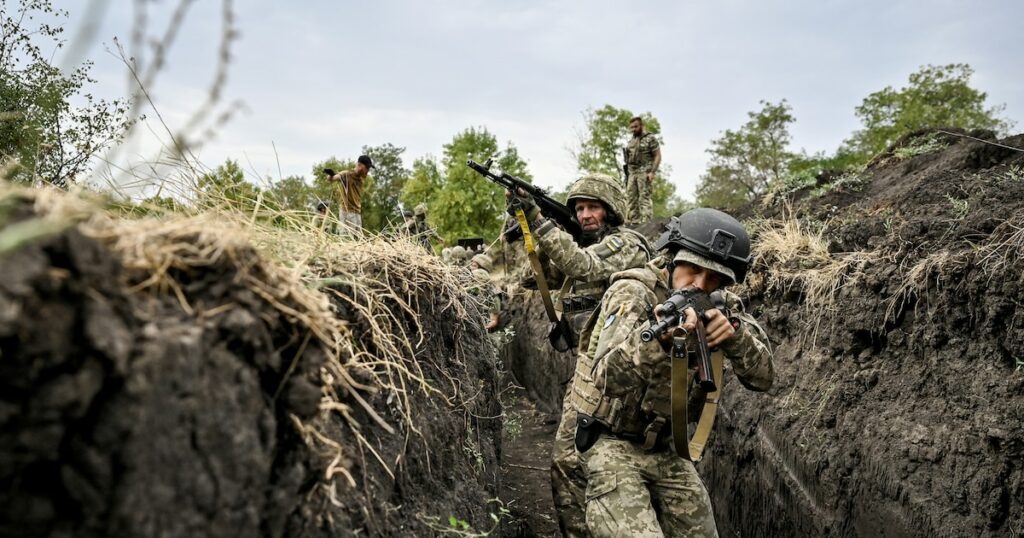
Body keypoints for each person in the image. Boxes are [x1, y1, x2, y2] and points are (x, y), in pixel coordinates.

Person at [571, 208, 774, 537]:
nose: (700, 285)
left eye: (714, 279)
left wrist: (735, 339)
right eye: (693, 270)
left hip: (669, 448)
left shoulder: (722, 305)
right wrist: (659, 344)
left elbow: (765, 378)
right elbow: (605, 378)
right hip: (612, 443)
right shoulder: (633, 293)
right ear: (672, 259)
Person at [506, 174, 651, 537]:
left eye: (593, 207)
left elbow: (584, 266)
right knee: (567, 464)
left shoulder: (628, 244)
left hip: (627, 374)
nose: (585, 215)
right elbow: (534, 277)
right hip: (589, 369)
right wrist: (531, 228)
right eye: (579, 208)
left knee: (592, 463)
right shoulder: (580, 245)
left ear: (612, 210)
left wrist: (540, 220)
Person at [623, 116, 662, 224]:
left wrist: (652, 172)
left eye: (635, 126)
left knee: (644, 198)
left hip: (645, 172)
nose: (633, 129)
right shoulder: (631, 141)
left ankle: (647, 223)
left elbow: (658, 156)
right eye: (631, 127)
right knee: (631, 199)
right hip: (632, 173)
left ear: (641, 126)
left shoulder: (650, 138)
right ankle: (634, 223)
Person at [324, 154, 373, 236]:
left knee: (358, 239)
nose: (368, 170)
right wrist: (330, 174)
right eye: (367, 168)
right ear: (359, 165)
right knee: (346, 239)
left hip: (357, 212)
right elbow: (332, 179)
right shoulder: (347, 175)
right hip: (347, 211)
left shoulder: (361, 178)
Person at [469, 253, 502, 332]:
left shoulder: (493, 293)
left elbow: (493, 320)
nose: (471, 268)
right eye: (471, 265)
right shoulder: (467, 281)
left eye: (475, 266)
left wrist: (482, 327)